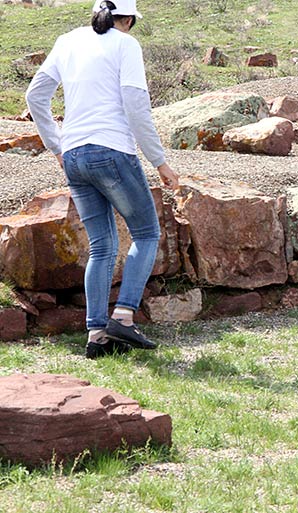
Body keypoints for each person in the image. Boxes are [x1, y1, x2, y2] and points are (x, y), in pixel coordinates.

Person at [25, 0, 179, 358]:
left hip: (74, 155)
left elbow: (35, 96)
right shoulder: (126, 45)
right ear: (127, 20)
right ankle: (123, 318)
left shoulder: (68, 41)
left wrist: (56, 145)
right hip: (111, 150)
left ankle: (97, 336)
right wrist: (160, 161)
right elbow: (135, 107)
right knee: (145, 232)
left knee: (102, 246)